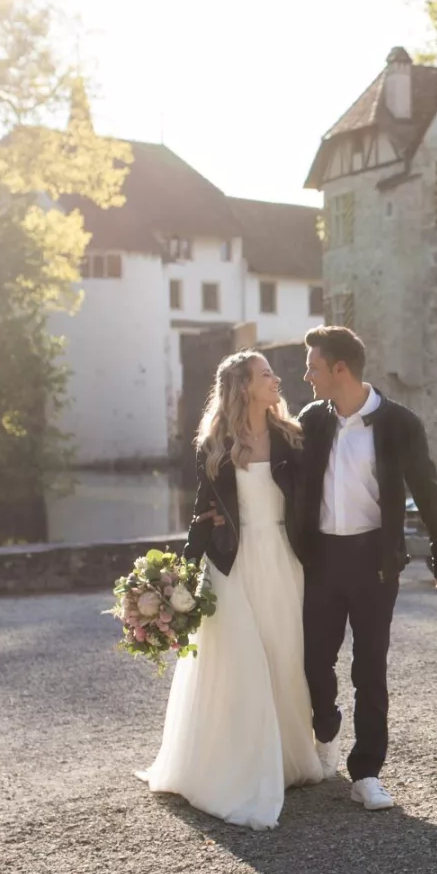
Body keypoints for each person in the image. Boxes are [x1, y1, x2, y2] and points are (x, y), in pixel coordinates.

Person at [137, 350, 324, 830]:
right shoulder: (215, 444)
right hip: (232, 567)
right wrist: (179, 575)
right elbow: (202, 511)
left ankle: (286, 761)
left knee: (285, 657)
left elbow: (312, 501)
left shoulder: (291, 437)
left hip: (283, 560)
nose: (276, 379)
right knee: (243, 665)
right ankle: (241, 767)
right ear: (244, 387)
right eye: (266, 375)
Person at [297, 326, 437, 811]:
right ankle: (326, 729)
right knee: (313, 661)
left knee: (370, 669)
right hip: (321, 558)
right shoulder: (310, 420)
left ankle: (366, 772)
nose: (307, 376)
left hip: (374, 563)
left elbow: (426, 488)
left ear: (340, 369)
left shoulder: (400, 423)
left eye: (314, 367)